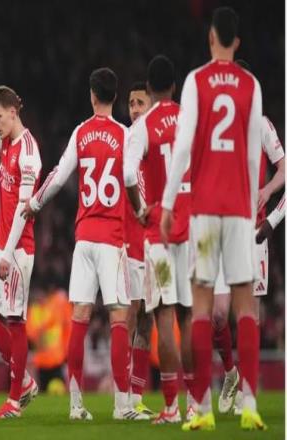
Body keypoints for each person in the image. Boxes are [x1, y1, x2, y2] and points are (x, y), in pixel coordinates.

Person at [160, 7, 266, 431]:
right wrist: (251, 205)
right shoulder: (251, 85)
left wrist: (168, 202)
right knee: (245, 305)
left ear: (210, 38)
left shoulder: (195, 81)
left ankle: (202, 409)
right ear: (236, 41)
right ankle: (250, 404)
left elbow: (183, 147)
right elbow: (254, 154)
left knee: (201, 305)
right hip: (239, 209)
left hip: (203, 211)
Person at [24, 68, 134, 421]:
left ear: (91, 95)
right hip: (112, 238)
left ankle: (75, 405)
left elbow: (58, 175)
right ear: (115, 96)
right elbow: (133, 179)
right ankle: (122, 405)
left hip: (84, 238)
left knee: (79, 318)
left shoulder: (81, 132)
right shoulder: (125, 135)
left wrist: (35, 203)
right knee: (119, 317)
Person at [124, 55, 195, 424]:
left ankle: (170, 407)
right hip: (192, 230)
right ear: (175, 86)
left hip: (160, 233)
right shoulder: (191, 118)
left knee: (164, 318)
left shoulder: (144, 126)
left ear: (149, 89)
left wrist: (140, 209)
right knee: (190, 315)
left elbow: (128, 175)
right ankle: (197, 404)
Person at [211, 59, 285, 415]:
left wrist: (268, 190)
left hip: (253, 232)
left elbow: (284, 168)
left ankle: (248, 394)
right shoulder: (216, 126)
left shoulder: (262, 124)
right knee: (217, 316)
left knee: (249, 317)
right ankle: (231, 373)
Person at [0, 85, 42, 419]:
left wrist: (7, 253)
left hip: (17, 248)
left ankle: (14, 401)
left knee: (15, 320)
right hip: (1, 244)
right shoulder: (4, 142)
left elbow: (23, 211)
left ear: (14, 112)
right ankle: (25, 381)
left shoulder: (28, 152)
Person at [125, 81, 155, 419]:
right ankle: (123, 397)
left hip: (154, 244)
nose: (134, 109)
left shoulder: (158, 145)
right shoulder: (127, 141)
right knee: (130, 317)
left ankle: (136, 396)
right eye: (131, 103)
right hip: (130, 244)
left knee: (148, 321)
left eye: (140, 103)